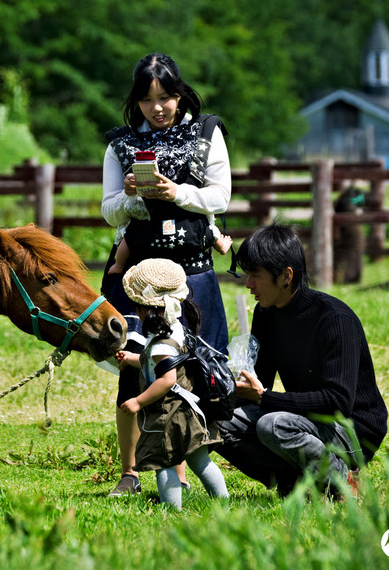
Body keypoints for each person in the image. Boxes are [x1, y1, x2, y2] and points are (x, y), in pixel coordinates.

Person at [100, 52, 232, 497]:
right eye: (147, 99)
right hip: (140, 277)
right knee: (134, 369)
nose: (158, 107)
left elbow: (221, 196)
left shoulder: (207, 133)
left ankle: (192, 464)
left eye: (166, 96)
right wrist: (132, 197)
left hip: (194, 274)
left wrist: (177, 193)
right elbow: (107, 208)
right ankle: (131, 471)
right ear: (136, 101)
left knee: (199, 368)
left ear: (179, 94)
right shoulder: (120, 144)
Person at [213, 223, 389, 499]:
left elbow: (337, 402)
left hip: (354, 429)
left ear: (286, 276)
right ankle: (297, 481)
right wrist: (219, 393)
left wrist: (264, 398)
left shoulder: (334, 319)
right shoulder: (266, 313)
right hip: (303, 419)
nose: (248, 285)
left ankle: (341, 479)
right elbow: (260, 381)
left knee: (273, 424)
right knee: (218, 422)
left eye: (255, 276)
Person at [115, 258, 229, 509]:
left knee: (163, 463)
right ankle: (223, 502)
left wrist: (138, 400)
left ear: (145, 309)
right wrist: (132, 359)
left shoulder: (161, 343)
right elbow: (160, 364)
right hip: (188, 410)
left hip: (168, 414)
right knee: (200, 461)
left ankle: (171, 510)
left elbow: (166, 380)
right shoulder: (174, 329)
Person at [108, 219, 232, 275]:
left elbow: (128, 239)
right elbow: (211, 233)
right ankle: (222, 245)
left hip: (152, 218)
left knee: (130, 235)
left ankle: (119, 265)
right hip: (185, 219)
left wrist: (119, 264)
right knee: (208, 230)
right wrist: (223, 245)